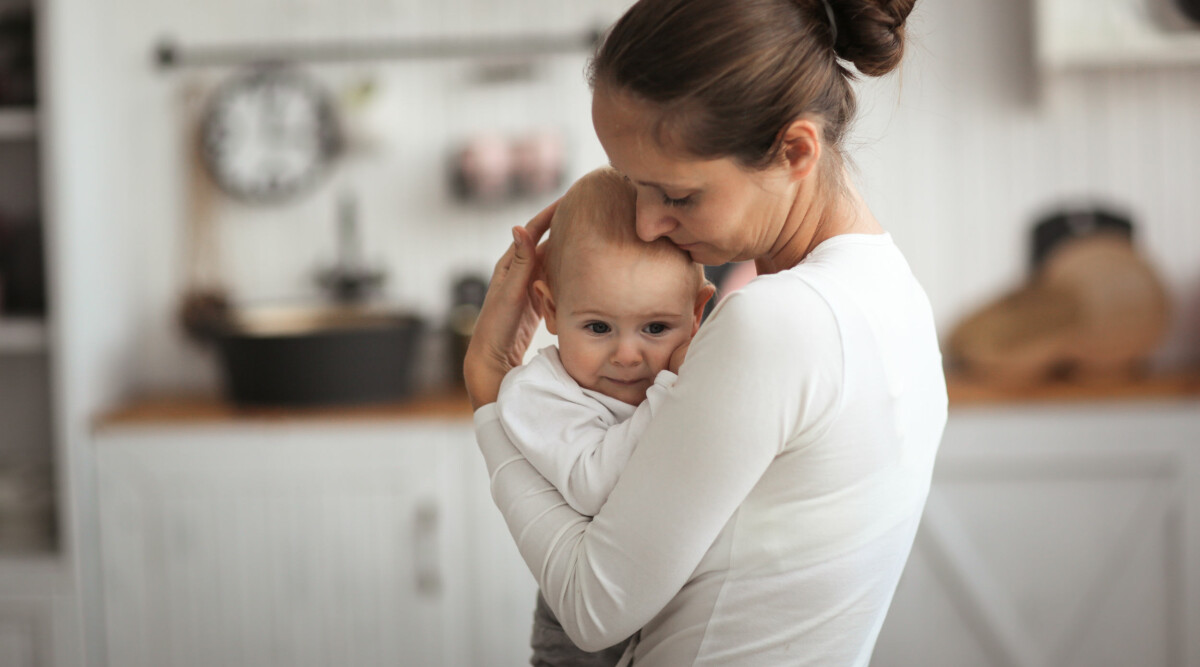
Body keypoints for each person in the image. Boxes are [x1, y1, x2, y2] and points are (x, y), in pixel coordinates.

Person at [465, 0, 949, 664]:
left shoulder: (774, 323)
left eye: (677, 195)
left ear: (796, 150)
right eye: (634, 186)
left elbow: (591, 607)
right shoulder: (897, 294)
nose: (644, 224)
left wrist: (491, 396)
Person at [495, 166, 713, 666]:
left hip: (673, 609)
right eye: (598, 327)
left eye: (656, 327)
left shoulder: (692, 374)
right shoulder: (535, 393)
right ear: (548, 307)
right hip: (580, 633)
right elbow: (595, 485)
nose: (628, 355)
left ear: (697, 314)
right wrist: (673, 389)